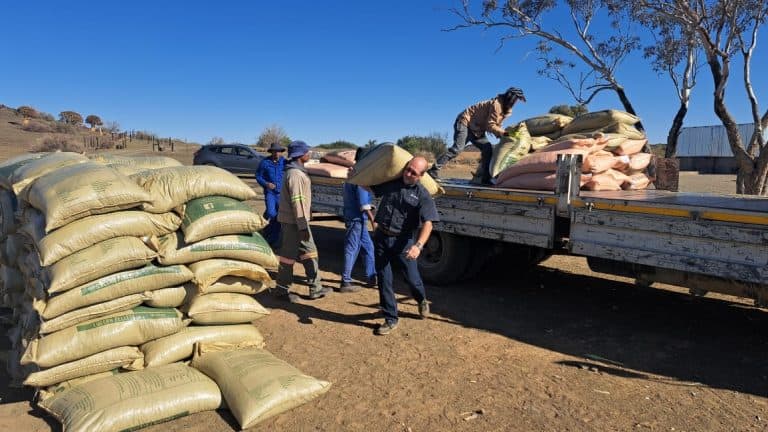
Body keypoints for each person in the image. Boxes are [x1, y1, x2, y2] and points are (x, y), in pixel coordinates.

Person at [369, 155, 439, 335]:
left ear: (421, 176)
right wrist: (356, 175)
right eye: (407, 169)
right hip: (381, 238)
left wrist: (418, 245)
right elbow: (369, 186)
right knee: (384, 280)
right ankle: (390, 318)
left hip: (404, 242)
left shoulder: (422, 195)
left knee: (413, 279)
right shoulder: (392, 182)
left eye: (413, 172)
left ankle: (421, 299)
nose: (408, 174)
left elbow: (428, 223)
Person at [428, 87, 526, 185]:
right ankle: (433, 170)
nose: (516, 102)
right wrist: (504, 133)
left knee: (488, 149)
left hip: (477, 129)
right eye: (517, 99)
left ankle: (485, 178)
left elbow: (497, 125)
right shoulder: (496, 105)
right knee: (457, 149)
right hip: (465, 123)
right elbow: (491, 125)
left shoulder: (506, 109)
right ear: (511, 98)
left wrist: (503, 136)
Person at [274, 140, 330, 302]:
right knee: (288, 256)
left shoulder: (297, 171)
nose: (309, 154)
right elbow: (297, 202)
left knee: (309, 252)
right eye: (307, 152)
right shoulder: (295, 175)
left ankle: (316, 287)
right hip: (295, 223)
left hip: (296, 221)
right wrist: (302, 226)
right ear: (300, 155)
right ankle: (282, 290)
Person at [340, 148, 377, 293]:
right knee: (352, 248)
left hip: (355, 218)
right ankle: (345, 281)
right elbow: (363, 204)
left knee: (368, 247)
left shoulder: (352, 174)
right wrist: (374, 220)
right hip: (356, 219)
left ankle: (371, 276)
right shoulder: (360, 177)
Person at [256, 142, 286, 247]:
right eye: (275, 151)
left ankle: (273, 239)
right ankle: (266, 228)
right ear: (271, 152)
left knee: (278, 216)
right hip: (270, 193)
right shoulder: (265, 162)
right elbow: (258, 176)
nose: (277, 153)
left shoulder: (285, 162)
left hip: (281, 194)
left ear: (281, 152)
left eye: (279, 151)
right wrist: (266, 184)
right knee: (271, 213)